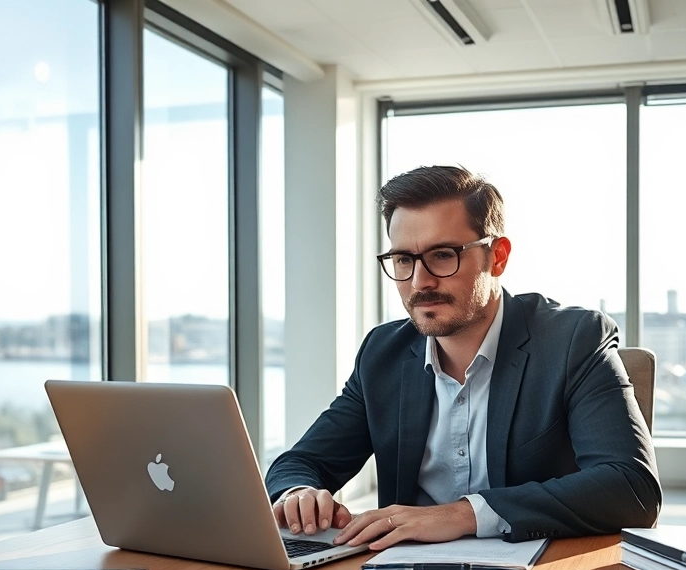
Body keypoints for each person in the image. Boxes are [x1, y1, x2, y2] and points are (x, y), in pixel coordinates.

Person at [265, 165, 659, 550]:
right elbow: (299, 463)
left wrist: (460, 515)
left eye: (442, 255)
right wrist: (299, 493)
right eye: (403, 260)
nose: (420, 282)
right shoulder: (383, 354)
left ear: (497, 257)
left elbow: (630, 487)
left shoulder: (573, 339)